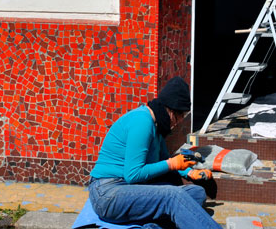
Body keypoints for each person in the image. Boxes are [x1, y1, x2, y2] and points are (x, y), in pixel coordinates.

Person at [88, 77, 221, 229]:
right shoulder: (143, 122)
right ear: (171, 110)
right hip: (108, 193)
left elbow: (166, 159)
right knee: (174, 196)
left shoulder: (157, 127)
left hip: (130, 188)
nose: (178, 122)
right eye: (180, 116)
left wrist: (190, 173)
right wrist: (171, 164)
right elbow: (133, 174)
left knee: (196, 193)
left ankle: (152, 226)